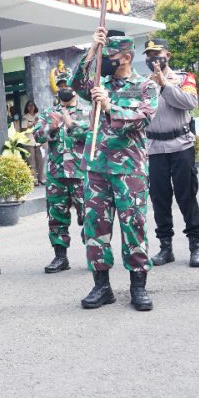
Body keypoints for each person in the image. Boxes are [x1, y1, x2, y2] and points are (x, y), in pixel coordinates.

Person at [70, 30, 158, 311]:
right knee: (96, 228)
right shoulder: (98, 83)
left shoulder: (144, 86)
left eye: (111, 57)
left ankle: (138, 286)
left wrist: (111, 107)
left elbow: (144, 118)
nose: (106, 62)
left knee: (134, 226)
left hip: (129, 169)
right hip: (96, 167)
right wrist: (92, 50)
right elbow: (75, 82)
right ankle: (101, 286)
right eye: (103, 58)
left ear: (127, 57)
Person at [143, 38, 199, 268]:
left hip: (181, 145)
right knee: (159, 199)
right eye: (149, 55)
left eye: (157, 54)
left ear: (167, 55)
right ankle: (165, 247)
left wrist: (164, 85)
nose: (153, 59)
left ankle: (195, 246)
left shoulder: (184, 78)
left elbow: (189, 102)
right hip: (155, 149)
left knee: (187, 196)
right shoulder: (142, 83)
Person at [31, 73, 88, 274]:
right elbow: (37, 136)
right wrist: (52, 128)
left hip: (82, 173)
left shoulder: (87, 111)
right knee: (56, 218)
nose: (63, 87)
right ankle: (60, 257)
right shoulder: (48, 112)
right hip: (56, 173)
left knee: (90, 216)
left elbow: (92, 135)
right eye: (60, 84)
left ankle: (94, 253)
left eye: (67, 84)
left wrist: (70, 124)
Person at [20, 101, 45, 185]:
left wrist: (42, 140)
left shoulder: (38, 117)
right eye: (29, 106)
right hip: (28, 142)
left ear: (35, 107)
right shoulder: (24, 117)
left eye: (32, 105)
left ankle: (40, 179)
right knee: (31, 162)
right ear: (27, 107)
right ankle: (34, 181)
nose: (31, 107)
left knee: (40, 161)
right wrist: (33, 124)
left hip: (38, 142)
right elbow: (23, 128)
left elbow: (42, 129)